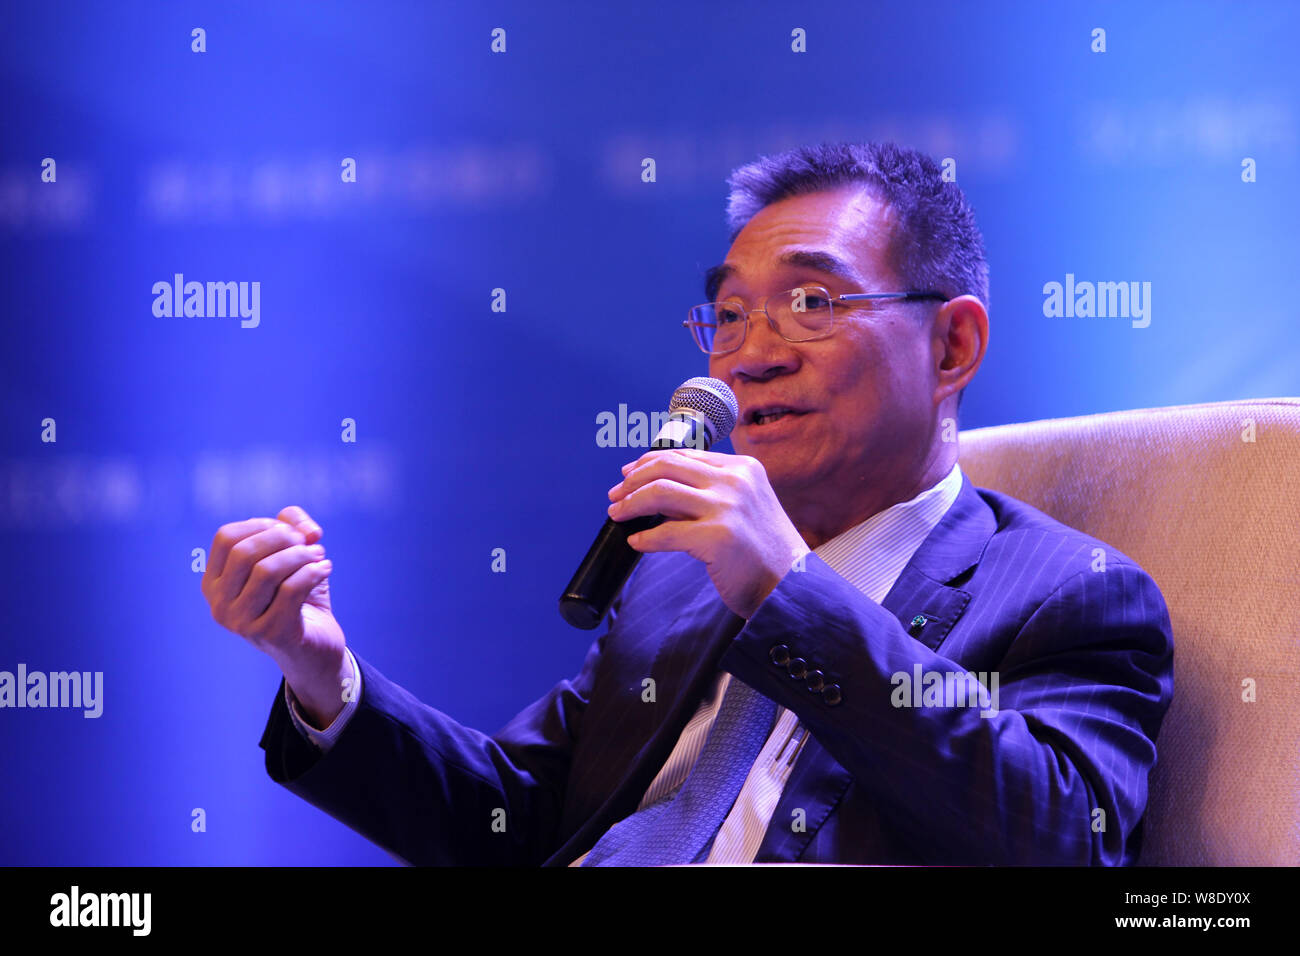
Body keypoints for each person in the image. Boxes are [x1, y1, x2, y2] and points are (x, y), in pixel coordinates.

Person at [201, 141, 1174, 866]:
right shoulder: (673, 585)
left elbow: (1062, 838)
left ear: (952, 346)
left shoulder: (1071, 596)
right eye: (730, 312)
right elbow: (518, 821)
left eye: (811, 303)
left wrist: (789, 594)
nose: (750, 353)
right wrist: (320, 672)